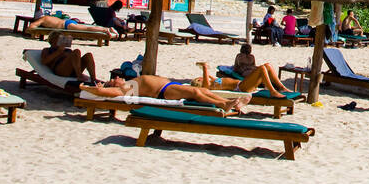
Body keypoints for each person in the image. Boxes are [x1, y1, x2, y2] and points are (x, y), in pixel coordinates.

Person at [82, 71, 249, 114]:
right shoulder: (124, 88)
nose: (117, 77)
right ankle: (224, 104)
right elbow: (103, 92)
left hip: (169, 86)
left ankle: (230, 102)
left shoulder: (129, 83)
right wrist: (86, 88)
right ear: (113, 84)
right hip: (164, 91)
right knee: (197, 93)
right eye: (114, 78)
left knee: (201, 90)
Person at [193, 59, 291, 98]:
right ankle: (272, 91)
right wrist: (204, 66)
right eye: (200, 77)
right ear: (199, 80)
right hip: (241, 87)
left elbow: (208, 76)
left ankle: (281, 87)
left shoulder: (213, 82)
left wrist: (207, 74)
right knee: (262, 68)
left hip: (243, 84)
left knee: (267, 65)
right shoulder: (208, 86)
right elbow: (206, 73)